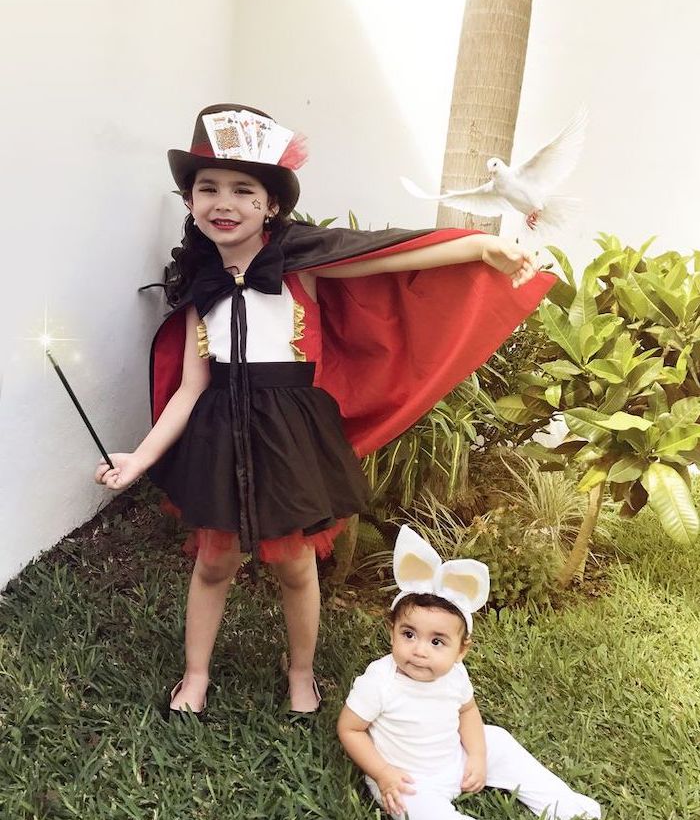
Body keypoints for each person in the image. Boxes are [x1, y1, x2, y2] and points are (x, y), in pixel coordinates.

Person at [95, 103, 555, 717]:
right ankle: (196, 673)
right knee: (214, 561)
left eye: (242, 190)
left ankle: (302, 671)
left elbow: (388, 255)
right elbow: (188, 389)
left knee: (294, 563)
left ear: (271, 206)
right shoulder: (198, 287)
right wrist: (139, 457)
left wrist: (479, 247)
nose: (222, 202)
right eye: (207, 188)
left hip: (289, 436)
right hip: (218, 435)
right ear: (190, 202)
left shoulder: (302, 266)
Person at [337, 526, 601, 820]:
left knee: (499, 739)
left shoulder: (455, 675)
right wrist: (382, 773)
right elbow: (350, 729)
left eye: (438, 641)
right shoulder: (380, 680)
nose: (419, 650)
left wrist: (476, 756)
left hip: (454, 760)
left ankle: (559, 802)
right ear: (392, 632)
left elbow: (467, 712)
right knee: (421, 815)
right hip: (408, 779)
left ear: (461, 650)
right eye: (408, 634)